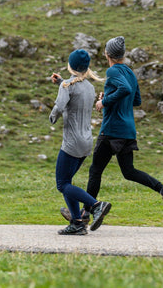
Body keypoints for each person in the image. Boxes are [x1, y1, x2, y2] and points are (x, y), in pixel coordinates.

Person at [85, 36, 163, 218]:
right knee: (128, 172)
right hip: (128, 131)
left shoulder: (113, 72)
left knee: (95, 171)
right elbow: (136, 100)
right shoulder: (130, 73)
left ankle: (85, 214)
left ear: (108, 54)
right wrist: (111, 94)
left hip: (112, 130)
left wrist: (103, 101)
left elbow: (126, 90)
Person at [49, 49, 112, 235]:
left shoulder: (68, 86)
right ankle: (77, 223)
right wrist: (61, 82)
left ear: (70, 65)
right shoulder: (89, 87)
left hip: (71, 143)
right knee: (68, 182)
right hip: (86, 142)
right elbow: (73, 92)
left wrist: (52, 117)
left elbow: (60, 105)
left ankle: (96, 205)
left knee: (62, 184)